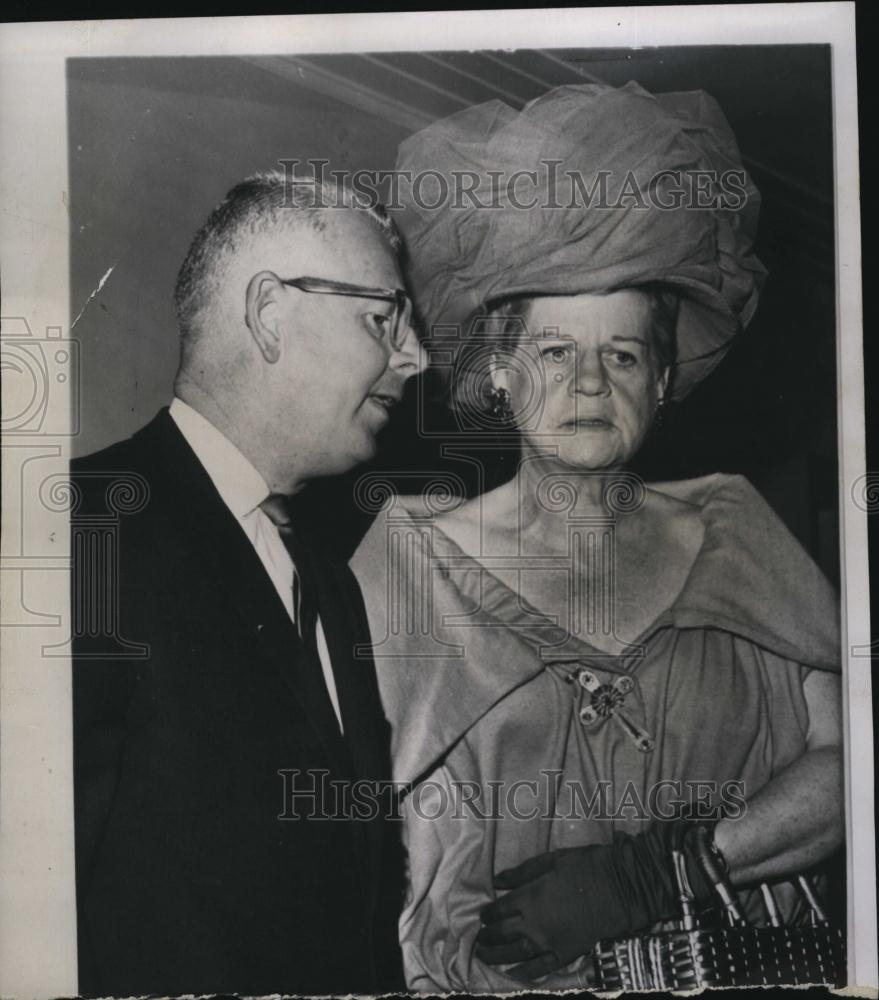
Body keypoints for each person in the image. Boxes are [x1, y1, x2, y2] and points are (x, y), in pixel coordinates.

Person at [350, 82, 843, 991]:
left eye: (621, 354)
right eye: (552, 351)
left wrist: (666, 870)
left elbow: (853, 764)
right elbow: (363, 835)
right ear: (498, 373)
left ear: (661, 381)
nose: (587, 384)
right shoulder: (410, 566)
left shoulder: (734, 531)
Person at [71, 172, 425, 996]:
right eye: (383, 319)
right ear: (270, 314)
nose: (414, 358)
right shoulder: (81, 533)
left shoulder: (330, 586)